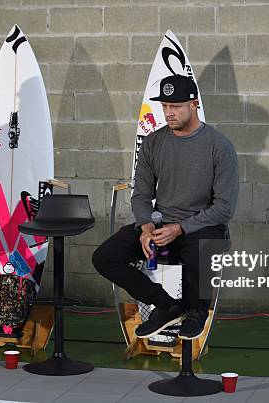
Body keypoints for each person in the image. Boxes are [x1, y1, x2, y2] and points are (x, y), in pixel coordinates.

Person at [92, 74, 239, 340]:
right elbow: (141, 195)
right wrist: (146, 228)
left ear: (194, 104)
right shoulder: (154, 142)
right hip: (161, 227)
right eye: (165, 107)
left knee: (200, 251)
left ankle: (196, 313)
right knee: (104, 257)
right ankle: (166, 305)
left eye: (176, 106)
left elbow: (224, 208)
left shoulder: (219, 146)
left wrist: (180, 229)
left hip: (202, 226)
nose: (169, 113)